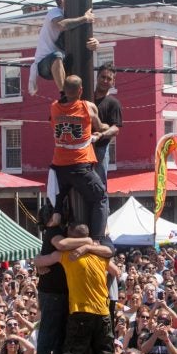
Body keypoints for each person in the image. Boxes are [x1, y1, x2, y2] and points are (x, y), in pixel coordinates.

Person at [34, 222, 116, 354]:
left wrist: (40, 265)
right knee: (106, 351)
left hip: (80, 311)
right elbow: (117, 272)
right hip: (103, 311)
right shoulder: (101, 254)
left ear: (70, 235)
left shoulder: (66, 254)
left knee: (72, 353)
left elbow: (39, 260)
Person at [48, 75, 108, 240]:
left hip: (59, 165)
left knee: (62, 190)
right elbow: (100, 126)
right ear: (81, 90)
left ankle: (57, 212)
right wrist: (104, 129)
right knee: (100, 197)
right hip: (80, 165)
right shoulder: (88, 107)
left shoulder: (53, 107)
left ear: (64, 91)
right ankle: (97, 237)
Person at [28, 0, 97, 98]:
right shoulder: (55, 12)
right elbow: (62, 25)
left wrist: (95, 43)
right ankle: (64, 94)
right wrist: (85, 18)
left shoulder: (75, 20)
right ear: (62, 0)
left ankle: (76, 93)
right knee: (57, 55)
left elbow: (84, 41)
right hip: (44, 63)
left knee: (68, 60)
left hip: (62, 62)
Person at [92, 63, 122, 186]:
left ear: (113, 82)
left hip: (100, 149)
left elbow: (116, 128)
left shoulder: (113, 103)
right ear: (97, 77)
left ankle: (102, 206)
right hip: (81, 148)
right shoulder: (85, 97)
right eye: (102, 77)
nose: (105, 81)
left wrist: (101, 135)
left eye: (109, 79)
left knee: (99, 185)